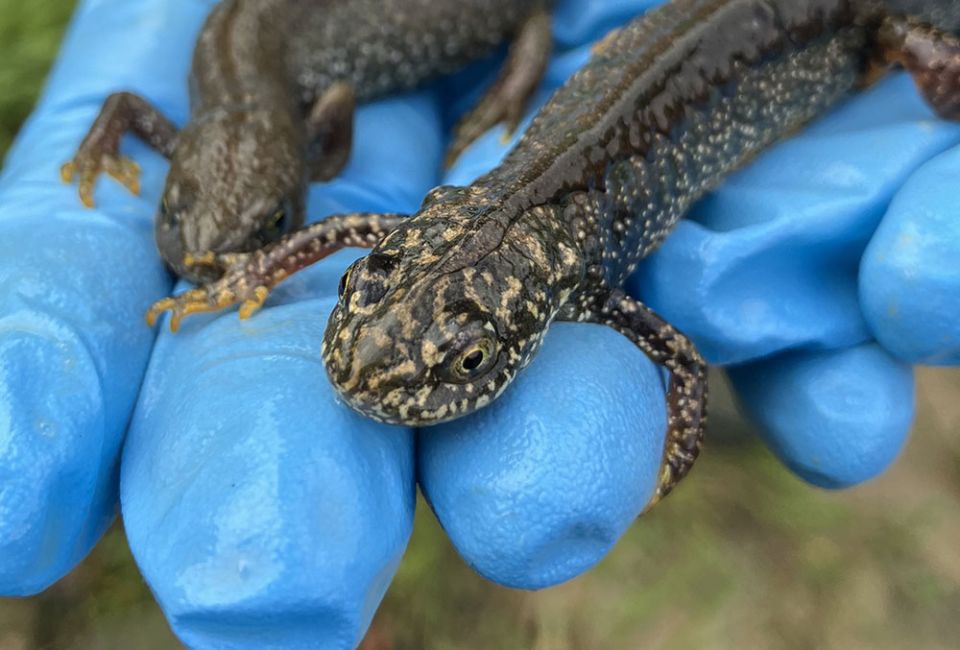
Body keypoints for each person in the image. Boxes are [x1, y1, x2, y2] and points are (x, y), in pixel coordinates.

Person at [0, 0, 957, 647]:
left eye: (458, 360)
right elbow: (339, 228)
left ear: (534, 318)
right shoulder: (443, 230)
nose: (370, 371)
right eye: (364, 291)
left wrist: (679, 440)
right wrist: (247, 270)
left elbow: (677, 357)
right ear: (401, 246)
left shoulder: (573, 283)